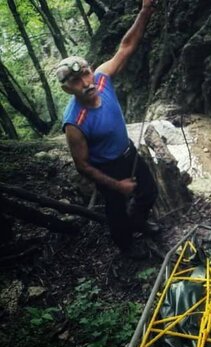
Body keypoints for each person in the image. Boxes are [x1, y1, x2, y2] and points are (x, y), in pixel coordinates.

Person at [57, 0, 159, 258]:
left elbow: (126, 47)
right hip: (107, 167)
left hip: (128, 152)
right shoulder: (75, 123)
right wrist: (116, 185)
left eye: (86, 74)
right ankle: (126, 247)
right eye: (76, 81)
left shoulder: (102, 79)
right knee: (116, 213)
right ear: (67, 89)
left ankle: (139, 221)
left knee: (149, 191)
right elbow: (82, 165)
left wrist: (145, 10)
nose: (86, 83)